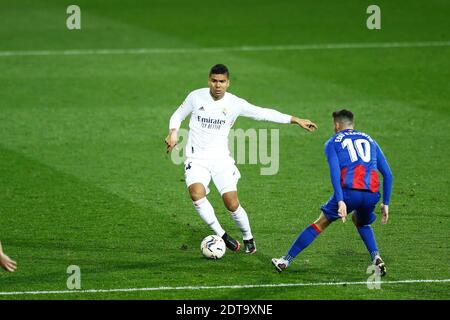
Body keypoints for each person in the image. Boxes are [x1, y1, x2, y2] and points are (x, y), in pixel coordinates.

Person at [165, 64, 318, 254]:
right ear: (209, 81)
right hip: (196, 159)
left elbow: (263, 113)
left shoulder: (235, 103)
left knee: (231, 203)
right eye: (214, 81)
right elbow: (178, 115)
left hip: (221, 160)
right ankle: (222, 235)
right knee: (196, 194)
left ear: (228, 83)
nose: (217, 85)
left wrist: (296, 120)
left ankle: (248, 237)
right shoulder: (196, 97)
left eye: (221, 81)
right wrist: (173, 133)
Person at [272, 109, 392, 275]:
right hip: (371, 193)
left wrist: (341, 200)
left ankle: (285, 260)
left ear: (337, 125)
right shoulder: (371, 140)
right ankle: (376, 257)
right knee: (361, 221)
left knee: (320, 222)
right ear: (352, 123)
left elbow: (335, 172)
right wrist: (385, 202)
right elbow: (388, 174)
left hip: (349, 193)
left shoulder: (333, 142)